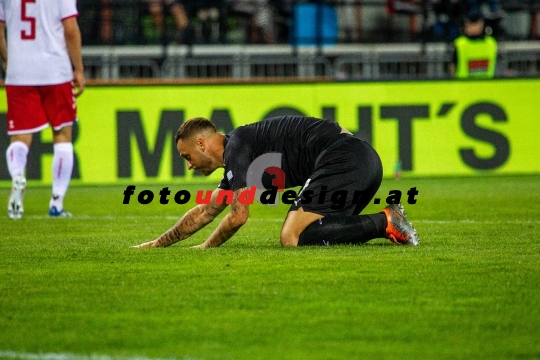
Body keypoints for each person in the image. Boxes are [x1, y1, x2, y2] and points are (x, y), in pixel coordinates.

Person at [133, 116, 420, 248]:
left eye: (188, 156)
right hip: (359, 161)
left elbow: (238, 217)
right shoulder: (237, 155)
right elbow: (207, 210)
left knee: (290, 236)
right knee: (312, 233)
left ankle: (386, 222)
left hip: (344, 158)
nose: (188, 165)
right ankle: (386, 223)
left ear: (201, 143)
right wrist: (158, 244)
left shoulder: (238, 146)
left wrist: (206, 248)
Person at [0, 0, 85, 219]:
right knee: (62, 134)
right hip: (55, 70)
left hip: (20, 71)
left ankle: (18, 175)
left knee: (20, 136)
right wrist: (79, 68)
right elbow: (70, 29)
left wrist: (8, 61)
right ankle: (56, 202)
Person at [449, 11, 497, 79]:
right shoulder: (460, 44)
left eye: (474, 24)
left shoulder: (491, 42)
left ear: (481, 23)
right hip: (464, 86)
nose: (471, 27)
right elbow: (452, 66)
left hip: (487, 86)